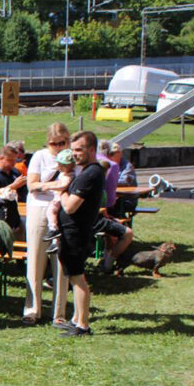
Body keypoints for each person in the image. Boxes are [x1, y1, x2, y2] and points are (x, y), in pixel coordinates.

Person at [55, 131, 106, 337]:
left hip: (76, 233)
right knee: (74, 277)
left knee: (78, 279)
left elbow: (70, 207)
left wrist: (62, 190)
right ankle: (76, 319)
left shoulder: (91, 174)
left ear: (91, 150)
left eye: (79, 149)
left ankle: (83, 325)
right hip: (72, 232)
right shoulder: (87, 172)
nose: (75, 154)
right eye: (73, 149)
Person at [23, 123, 73, 326]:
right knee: (35, 257)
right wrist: (52, 184)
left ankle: (59, 312)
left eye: (62, 143)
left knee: (61, 261)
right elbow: (31, 184)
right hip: (39, 208)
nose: (58, 147)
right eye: (54, 144)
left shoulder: (72, 158)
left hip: (63, 208)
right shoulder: (40, 157)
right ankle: (32, 309)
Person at [94, 139, 135, 273]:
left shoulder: (125, 165)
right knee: (123, 232)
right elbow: (109, 201)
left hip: (111, 208)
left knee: (113, 227)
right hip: (101, 213)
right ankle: (107, 263)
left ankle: (105, 261)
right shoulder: (112, 166)